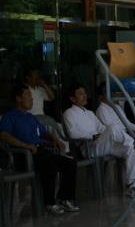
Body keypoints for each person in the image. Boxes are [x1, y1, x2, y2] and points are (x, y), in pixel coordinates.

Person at [0, 84, 78, 214]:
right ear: (18, 98)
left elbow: (43, 133)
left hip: (41, 152)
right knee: (50, 166)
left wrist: (54, 139)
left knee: (69, 163)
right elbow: (4, 135)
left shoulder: (31, 118)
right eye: (28, 95)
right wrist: (25, 146)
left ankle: (65, 199)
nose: (32, 99)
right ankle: (50, 203)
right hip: (25, 155)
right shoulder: (10, 117)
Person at [63, 84, 135, 197]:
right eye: (80, 93)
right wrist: (93, 135)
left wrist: (101, 134)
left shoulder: (90, 113)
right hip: (88, 148)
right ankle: (132, 140)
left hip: (100, 145)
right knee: (113, 128)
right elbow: (72, 133)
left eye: (84, 93)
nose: (84, 95)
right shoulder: (69, 113)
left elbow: (102, 129)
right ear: (72, 98)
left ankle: (133, 185)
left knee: (130, 149)